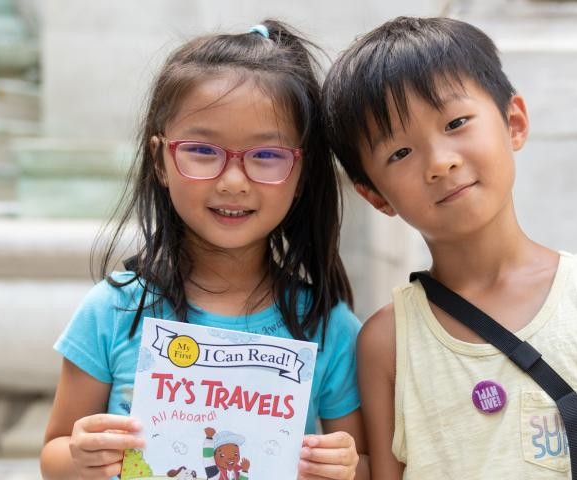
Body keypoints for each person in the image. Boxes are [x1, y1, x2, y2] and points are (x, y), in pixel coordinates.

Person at [322, 16, 577, 479]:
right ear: (373, 194)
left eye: (456, 122)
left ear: (514, 122)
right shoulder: (386, 343)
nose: (440, 162)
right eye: (400, 153)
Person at [41, 20, 367, 480]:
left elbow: (364, 462)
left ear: (302, 175)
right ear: (160, 160)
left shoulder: (328, 327)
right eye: (202, 150)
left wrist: (341, 469)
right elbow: (54, 455)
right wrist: (82, 456)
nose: (233, 181)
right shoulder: (112, 310)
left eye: (267, 156)